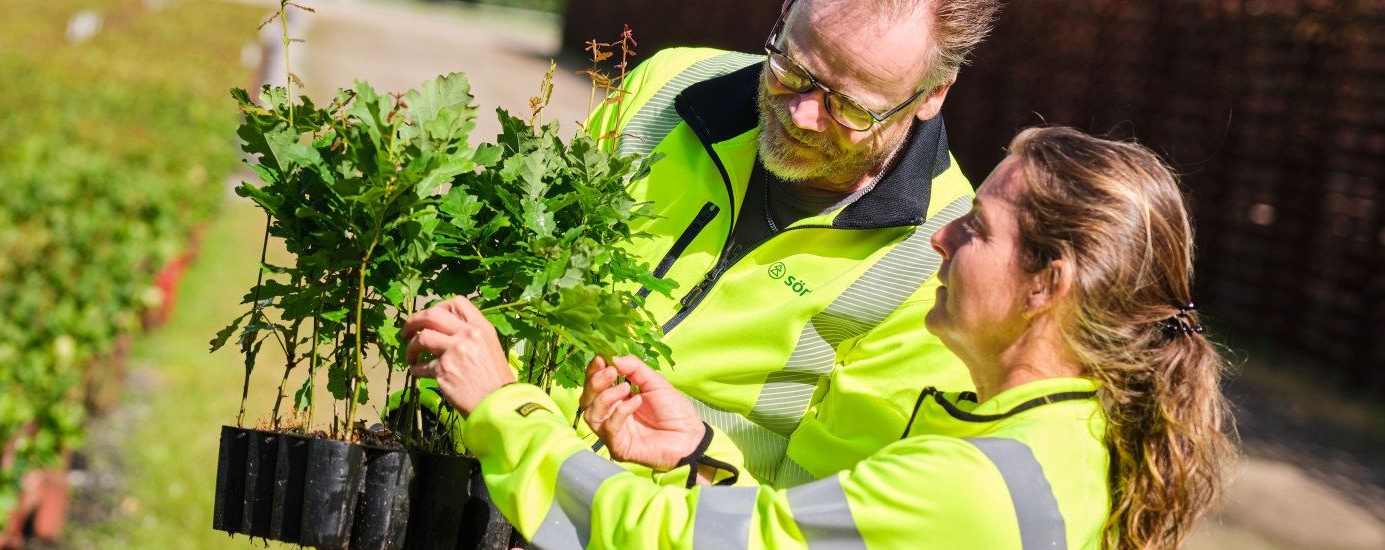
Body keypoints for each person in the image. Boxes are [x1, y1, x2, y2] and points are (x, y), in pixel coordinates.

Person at [404, 127, 1236, 549]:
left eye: (975, 229)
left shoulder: (975, 484)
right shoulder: (1074, 439)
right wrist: (701, 457)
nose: (940, 242)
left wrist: (505, 408)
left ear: (1046, 285)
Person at [533, 0, 1006, 488]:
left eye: (848, 107)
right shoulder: (672, 82)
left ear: (932, 95)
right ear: (783, 15)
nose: (801, 115)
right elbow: (529, 272)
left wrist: (695, 463)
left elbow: (822, 519)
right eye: (793, 69)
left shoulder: (941, 266)